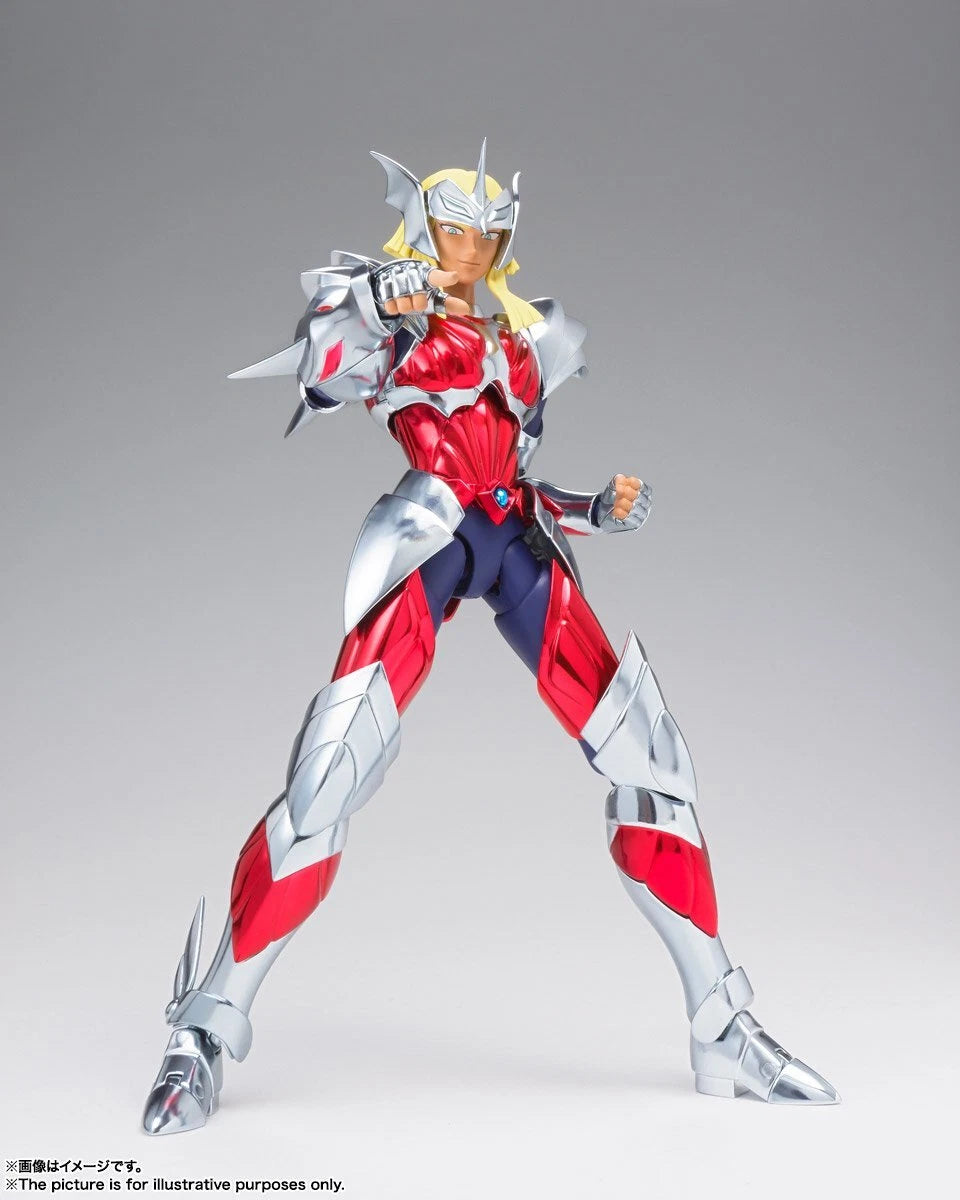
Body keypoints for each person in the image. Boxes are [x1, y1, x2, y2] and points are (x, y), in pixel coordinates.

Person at [142, 140, 838, 1135]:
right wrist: (375, 301)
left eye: (488, 233)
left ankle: (723, 1026)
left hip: (514, 543)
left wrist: (595, 510)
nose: (471, 249)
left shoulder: (526, 342)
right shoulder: (394, 319)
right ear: (422, 232)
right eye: (453, 231)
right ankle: (204, 1031)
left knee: (655, 765)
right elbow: (323, 368)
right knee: (327, 778)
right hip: (428, 538)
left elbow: (516, 478)